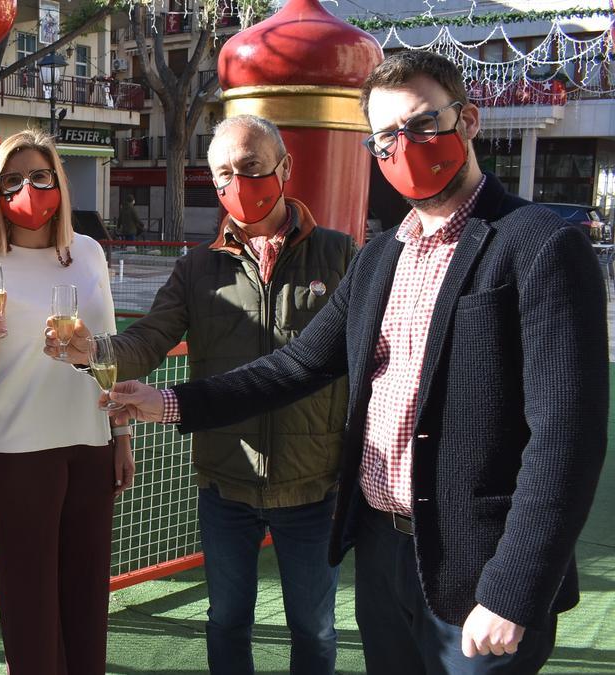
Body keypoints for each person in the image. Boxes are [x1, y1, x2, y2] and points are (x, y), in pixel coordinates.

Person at [105, 51, 607, 674]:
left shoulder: (538, 244)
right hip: (380, 552)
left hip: (480, 570)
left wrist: (516, 585)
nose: (406, 147)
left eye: (422, 125)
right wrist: (168, 402)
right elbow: (295, 367)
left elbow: (567, 439)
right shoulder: (378, 261)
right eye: (387, 137)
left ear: (469, 121)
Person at [50, 114, 355, 675]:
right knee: (227, 620)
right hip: (226, 484)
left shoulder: (339, 257)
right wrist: (94, 350)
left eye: (250, 167)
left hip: (313, 487)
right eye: (221, 176)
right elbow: (148, 338)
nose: (236, 184)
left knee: (313, 628)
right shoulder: (198, 267)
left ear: (284, 168)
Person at [0, 130, 133, 675]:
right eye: (12, 180)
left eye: (40, 177)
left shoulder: (88, 252)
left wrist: (121, 436)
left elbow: (107, 349)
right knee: (31, 599)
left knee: (86, 593)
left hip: (88, 439)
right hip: (15, 446)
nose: (28, 190)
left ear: (59, 182)